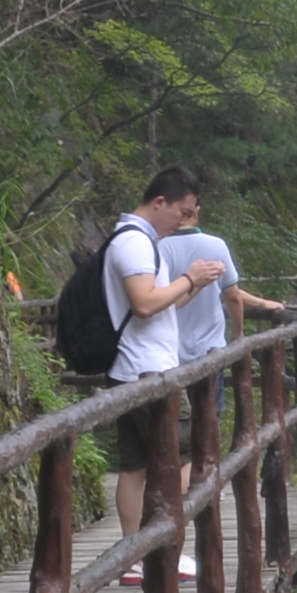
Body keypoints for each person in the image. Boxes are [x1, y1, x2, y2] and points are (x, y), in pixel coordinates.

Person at [102, 165, 236, 524]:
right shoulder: (134, 242)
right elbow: (144, 304)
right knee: (183, 460)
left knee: (136, 467)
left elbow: (162, 305)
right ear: (160, 202)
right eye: (182, 212)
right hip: (150, 373)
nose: (183, 221)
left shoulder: (142, 241)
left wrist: (195, 285)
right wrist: (189, 277)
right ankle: (161, 552)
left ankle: (135, 556)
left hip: (132, 370)